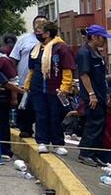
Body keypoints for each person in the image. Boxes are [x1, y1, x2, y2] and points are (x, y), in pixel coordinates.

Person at [25, 21, 76, 156]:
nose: (37, 34)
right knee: (40, 115)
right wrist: (27, 84)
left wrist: (65, 87)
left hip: (55, 89)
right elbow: (32, 69)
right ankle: (42, 142)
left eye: (39, 32)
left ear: (47, 34)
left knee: (55, 116)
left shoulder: (61, 48)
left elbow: (67, 70)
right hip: (37, 89)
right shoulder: (36, 49)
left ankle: (58, 143)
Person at [78, 25, 111, 167]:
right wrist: (91, 94)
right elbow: (84, 75)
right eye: (103, 38)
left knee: (99, 125)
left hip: (101, 95)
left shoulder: (96, 52)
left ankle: (93, 153)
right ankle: (85, 154)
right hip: (92, 97)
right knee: (93, 124)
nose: (104, 41)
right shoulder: (84, 53)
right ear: (94, 37)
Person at [11, 15, 49, 138]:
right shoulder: (24, 40)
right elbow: (14, 59)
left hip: (44, 83)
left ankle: (43, 134)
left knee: (42, 109)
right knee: (25, 109)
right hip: (24, 83)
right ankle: (25, 129)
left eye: (43, 24)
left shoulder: (52, 41)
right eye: (38, 24)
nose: (40, 26)